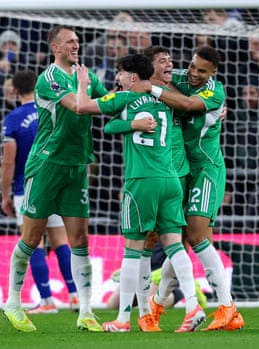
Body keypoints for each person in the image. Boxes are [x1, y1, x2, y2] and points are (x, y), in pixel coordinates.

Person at [76, 53, 205, 333]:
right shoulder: (164, 98)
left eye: (120, 73)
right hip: (170, 179)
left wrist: (84, 83)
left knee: (133, 250)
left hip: (141, 181)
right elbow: (113, 120)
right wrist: (131, 123)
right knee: (174, 245)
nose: (117, 79)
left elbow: (82, 107)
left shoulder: (125, 97)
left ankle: (123, 319)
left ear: (132, 77)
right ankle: (193, 306)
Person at [1, 25, 108, 333]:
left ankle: (85, 310)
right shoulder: (49, 79)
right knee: (32, 239)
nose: (76, 44)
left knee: (80, 240)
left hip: (75, 167)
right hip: (45, 167)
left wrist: (137, 100)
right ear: (55, 48)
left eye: (77, 40)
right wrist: (90, 87)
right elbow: (79, 105)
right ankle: (13, 302)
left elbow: (109, 100)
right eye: (70, 41)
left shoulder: (85, 74)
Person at [148, 45, 244, 331]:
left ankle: (227, 306)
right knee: (181, 240)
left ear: (213, 72)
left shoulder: (215, 92)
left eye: (202, 71)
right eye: (192, 66)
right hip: (181, 169)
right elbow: (154, 78)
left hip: (206, 169)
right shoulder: (179, 77)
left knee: (197, 235)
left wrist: (153, 89)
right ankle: (159, 301)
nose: (193, 74)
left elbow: (188, 105)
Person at [1, 70, 79, 315]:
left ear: (14, 91)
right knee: (60, 242)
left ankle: (47, 301)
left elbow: (9, 161)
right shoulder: (50, 112)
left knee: (32, 242)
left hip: (28, 188)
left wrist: (4, 194)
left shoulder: (12, 119)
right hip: (56, 185)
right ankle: (75, 295)